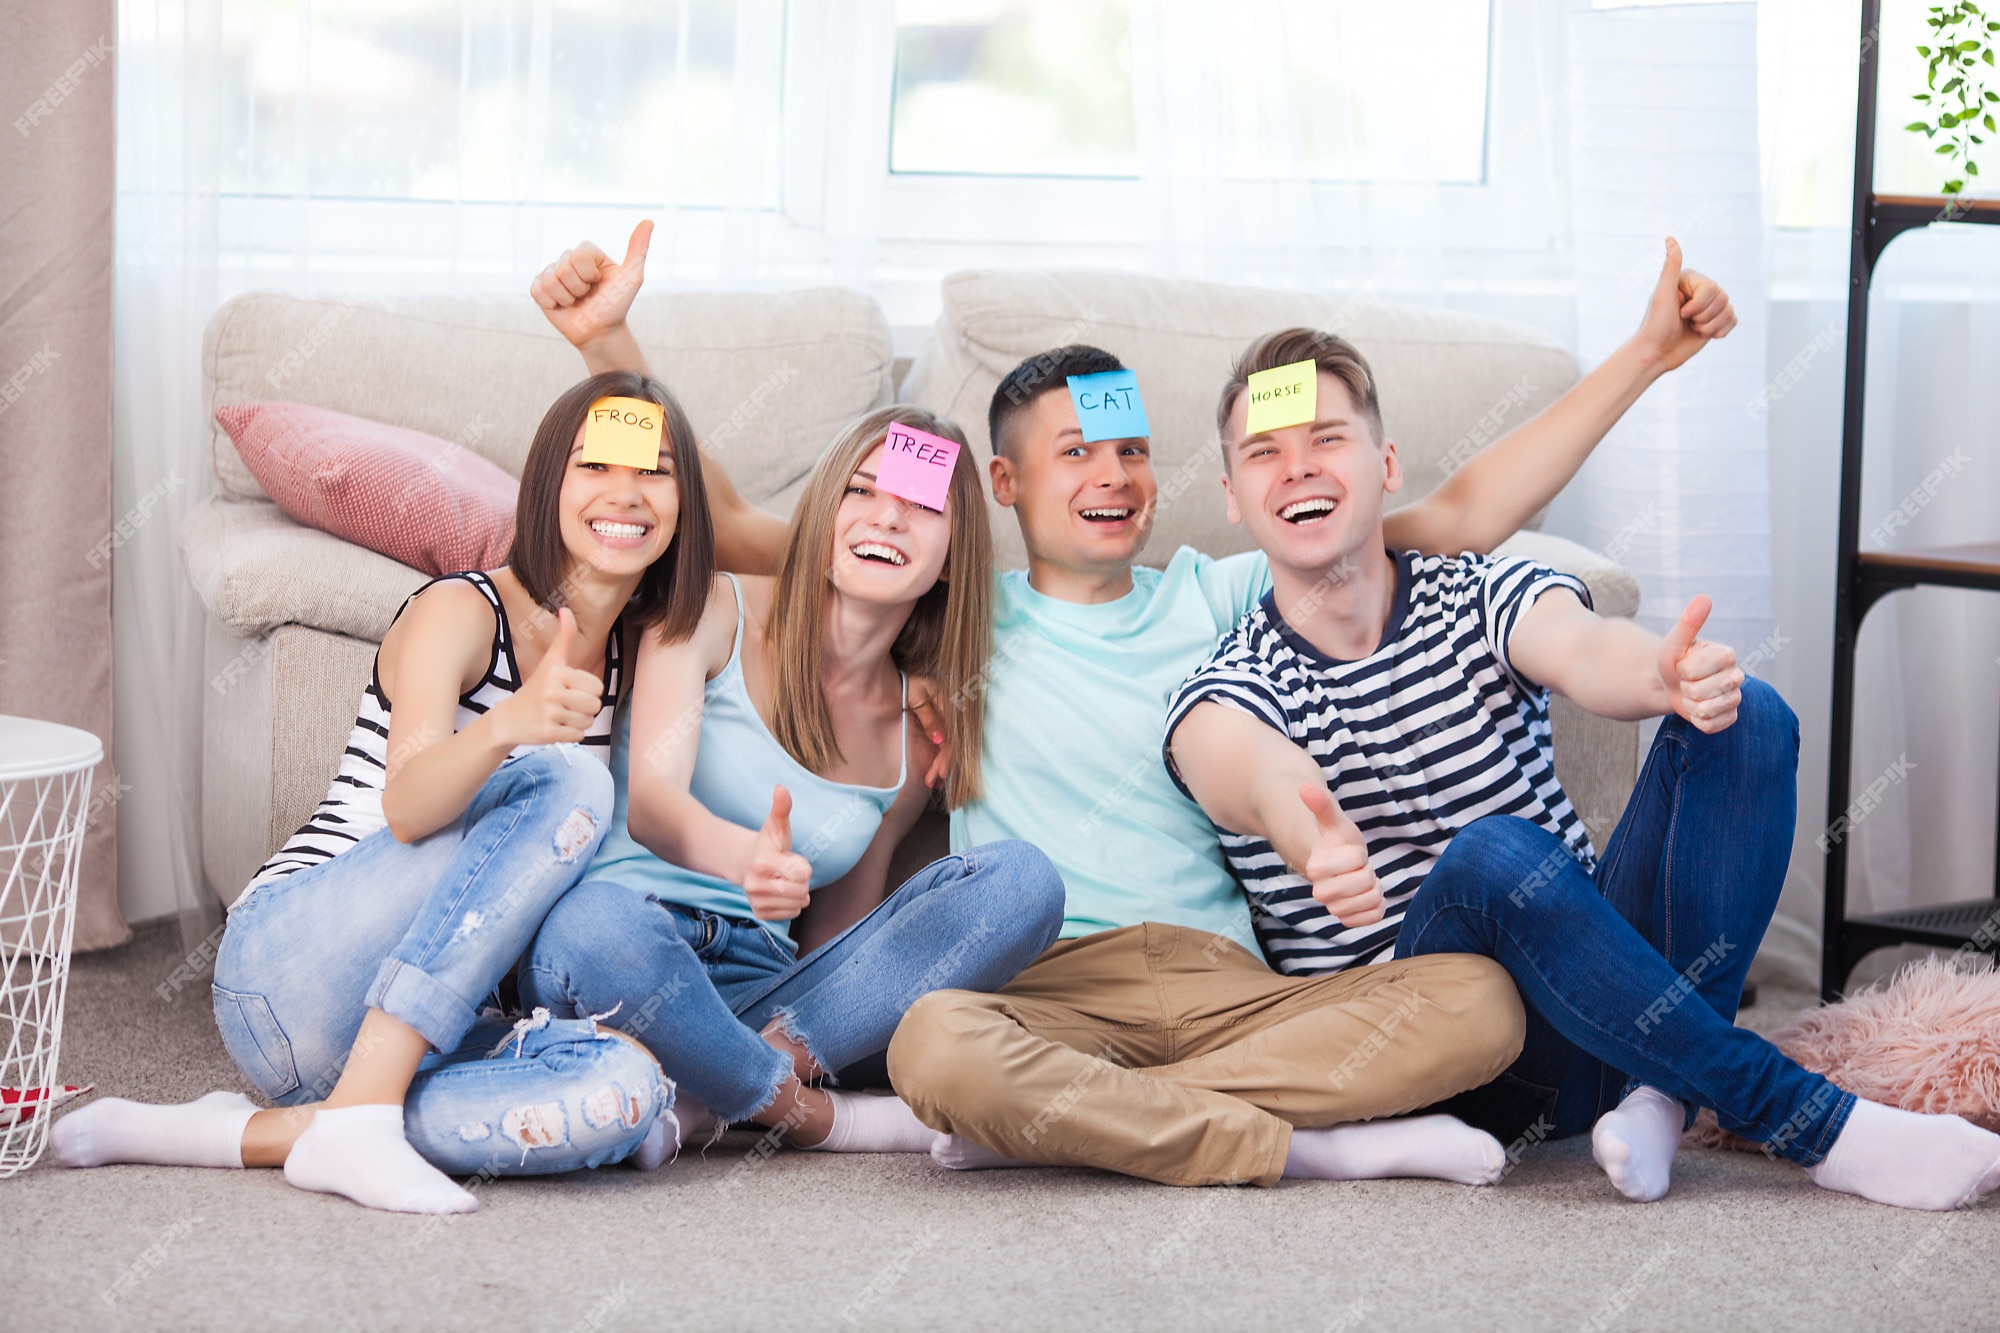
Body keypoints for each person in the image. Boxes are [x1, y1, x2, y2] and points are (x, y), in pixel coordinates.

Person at [532, 226, 1730, 1189]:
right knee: (931, 1045)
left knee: (1476, 1003)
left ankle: (1092, 1126)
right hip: (1045, 986)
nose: (1111, 479)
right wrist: (611, 340)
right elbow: (737, 525)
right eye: (1074, 457)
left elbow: (1463, 514)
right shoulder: (954, 610)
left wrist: (1642, 355)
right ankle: (1299, 1146)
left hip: (1237, 988)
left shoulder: (1224, 591)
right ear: (999, 486)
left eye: (1132, 452)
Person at [1163, 327, 2000, 1212]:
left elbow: (1578, 643)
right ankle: (1812, 1121)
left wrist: (1662, 677)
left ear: (1386, 463)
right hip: (1458, 1066)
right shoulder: (1233, 681)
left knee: (1747, 714)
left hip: (1603, 998)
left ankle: (1660, 1095)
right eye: (1265, 452)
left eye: (1326, 437)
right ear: (1230, 496)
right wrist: (1306, 829)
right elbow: (1241, 764)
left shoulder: (1472, 590)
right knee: (1494, 857)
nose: (1298, 467)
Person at [54, 372, 722, 1214]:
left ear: (685, 503)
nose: (626, 492)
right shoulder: (461, 610)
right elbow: (407, 804)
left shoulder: (642, 655)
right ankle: (361, 1114)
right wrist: (508, 723)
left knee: (625, 1093)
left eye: (655, 471)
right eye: (598, 465)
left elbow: (781, 558)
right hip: (290, 970)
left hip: (425, 1028)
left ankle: (238, 1134)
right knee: (570, 777)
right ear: (550, 483)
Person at [520, 403, 1066, 1153]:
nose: (887, 519)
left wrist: (834, 1013)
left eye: (921, 504)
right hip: (627, 952)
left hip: (771, 998)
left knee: (1024, 881)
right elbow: (650, 804)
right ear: (822, 512)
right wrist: (741, 858)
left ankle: (720, 1081)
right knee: (590, 926)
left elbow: (842, 944)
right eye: (863, 491)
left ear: (952, 556)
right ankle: (806, 1114)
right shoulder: (714, 604)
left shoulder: (914, 734)